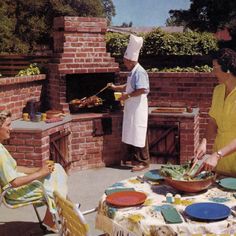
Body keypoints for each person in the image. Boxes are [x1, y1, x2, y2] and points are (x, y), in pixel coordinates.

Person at [0, 110, 68, 231]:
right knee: (55, 177)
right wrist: (40, 173)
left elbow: (15, 169)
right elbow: (14, 183)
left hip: (18, 185)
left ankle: (63, 208)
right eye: (8, 125)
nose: (11, 128)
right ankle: (57, 213)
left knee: (56, 168)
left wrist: (37, 169)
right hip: (15, 192)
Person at [108, 34, 150, 172]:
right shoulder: (133, 71)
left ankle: (143, 162)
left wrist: (127, 96)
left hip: (138, 106)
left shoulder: (140, 72)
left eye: (125, 61)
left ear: (131, 60)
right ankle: (134, 159)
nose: (124, 63)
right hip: (132, 106)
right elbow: (129, 85)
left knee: (139, 132)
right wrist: (116, 87)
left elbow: (142, 89)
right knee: (132, 132)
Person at [195, 48, 236, 176]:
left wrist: (217, 155)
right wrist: (204, 142)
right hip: (220, 159)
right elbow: (213, 121)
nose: (213, 72)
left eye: (215, 67)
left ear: (227, 69)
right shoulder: (218, 90)